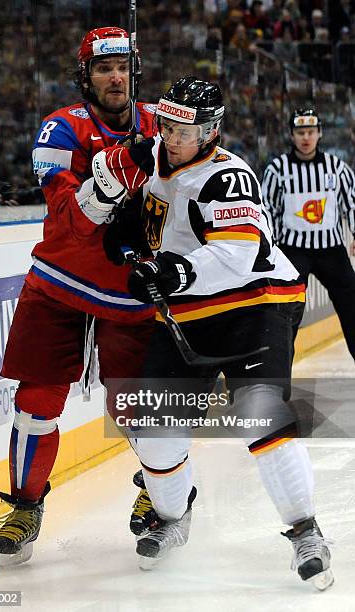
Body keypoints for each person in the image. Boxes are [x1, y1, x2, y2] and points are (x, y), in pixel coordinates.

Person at [102, 77, 333, 589]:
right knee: (155, 431)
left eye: (185, 130)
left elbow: (237, 252)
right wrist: (128, 229)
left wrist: (171, 273)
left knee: (259, 414)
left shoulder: (229, 176)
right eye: (166, 125)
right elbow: (155, 215)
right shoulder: (156, 158)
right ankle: (173, 515)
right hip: (188, 313)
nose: (172, 136)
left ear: (211, 131)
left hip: (255, 303)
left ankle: (305, 530)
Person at [0, 26, 156, 568]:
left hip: (130, 289)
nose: (115, 77)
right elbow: (70, 219)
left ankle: (164, 488)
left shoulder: (160, 124)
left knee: (136, 406)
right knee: (36, 403)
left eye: (123, 67)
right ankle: (24, 506)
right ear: (85, 76)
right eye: (103, 68)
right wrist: (113, 175)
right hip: (59, 282)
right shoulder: (59, 129)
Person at [262, 108, 355, 362]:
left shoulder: (337, 168)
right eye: (300, 132)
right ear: (291, 135)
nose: (306, 137)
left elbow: (352, 204)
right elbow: (267, 210)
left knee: (352, 307)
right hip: (292, 252)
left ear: (320, 134)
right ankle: (278, 378)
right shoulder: (277, 170)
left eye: (311, 132)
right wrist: (268, 247)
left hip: (332, 251)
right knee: (285, 316)